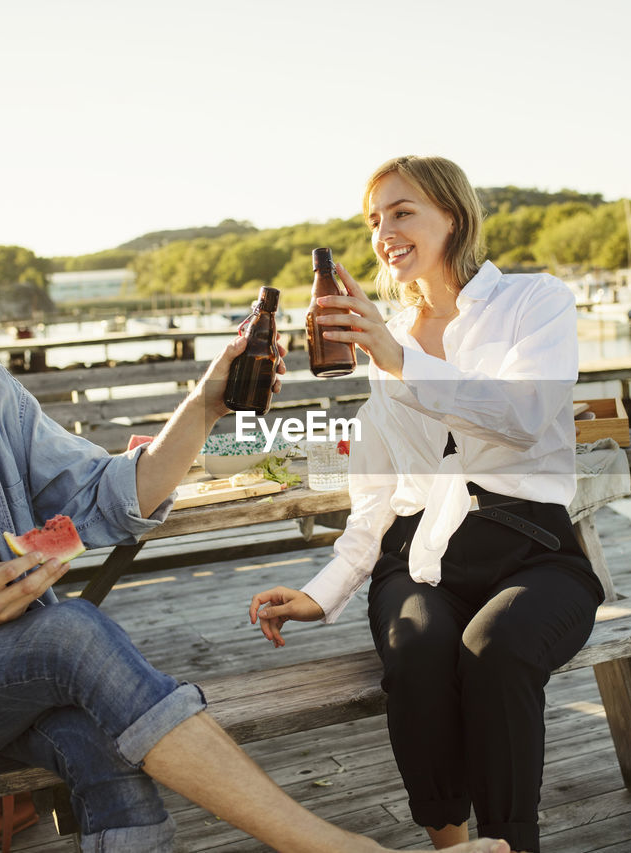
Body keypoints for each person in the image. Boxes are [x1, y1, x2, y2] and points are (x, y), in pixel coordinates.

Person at [0, 183, 510, 853]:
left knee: (106, 749)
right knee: (72, 631)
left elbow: (105, 496)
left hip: (16, 680)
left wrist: (208, 403)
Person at [250, 156, 604, 852]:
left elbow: (526, 415)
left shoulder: (534, 302)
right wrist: (323, 593)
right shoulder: (393, 342)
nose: (385, 230)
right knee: (417, 652)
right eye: (374, 218)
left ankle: (509, 844)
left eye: (402, 210)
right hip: (419, 556)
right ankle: (452, 844)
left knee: (496, 649)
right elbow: (378, 494)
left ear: (453, 214)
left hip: (532, 546)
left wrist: (400, 359)